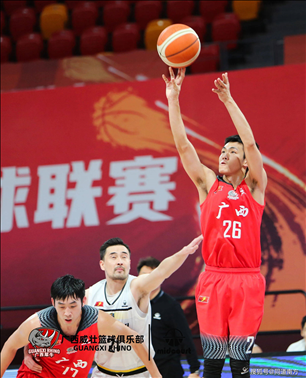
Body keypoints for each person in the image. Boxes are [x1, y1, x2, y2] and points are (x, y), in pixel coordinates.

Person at [163, 68, 267, 378]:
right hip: (213, 278)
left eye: (231, 151)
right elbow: (183, 146)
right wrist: (173, 99)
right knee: (212, 362)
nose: (223, 154)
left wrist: (228, 100)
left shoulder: (256, 188)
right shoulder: (209, 184)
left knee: (239, 363)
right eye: (222, 150)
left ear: (245, 162)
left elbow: (250, 144)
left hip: (246, 280)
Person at [84, 235, 202, 378]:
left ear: (129, 262)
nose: (120, 261)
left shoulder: (138, 287)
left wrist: (184, 252)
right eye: (113, 257)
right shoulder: (89, 294)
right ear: (102, 264)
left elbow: (162, 271)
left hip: (138, 373)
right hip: (102, 373)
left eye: (124, 257)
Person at [1, 275, 161, 378]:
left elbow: (134, 338)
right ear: (52, 303)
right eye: (61, 306)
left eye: (72, 305)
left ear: (83, 301)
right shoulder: (37, 323)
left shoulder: (97, 320)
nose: (67, 313)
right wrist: (28, 351)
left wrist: (156, 376)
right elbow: (9, 347)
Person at [137, 256, 201, 378]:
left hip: (168, 370)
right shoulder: (131, 303)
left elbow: (185, 338)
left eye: (153, 275)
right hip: (139, 370)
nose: (148, 279)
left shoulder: (171, 306)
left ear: (161, 278)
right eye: (144, 275)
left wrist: (195, 370)